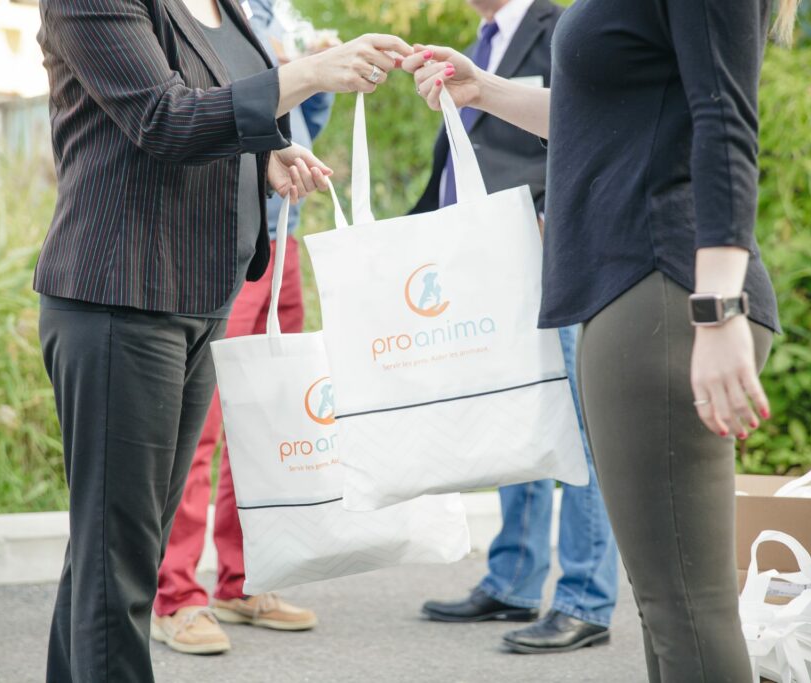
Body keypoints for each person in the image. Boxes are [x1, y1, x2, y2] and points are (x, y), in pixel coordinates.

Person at [403, 0, 793, 678]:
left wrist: (718, 309)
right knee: (667, 611)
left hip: (665, 291)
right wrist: (484, 90)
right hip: (632, 293)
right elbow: (600, 117)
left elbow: (726, 121)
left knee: (686, 613)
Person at [35, 0, 411, 678]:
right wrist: (312, 72)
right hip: (122, 295)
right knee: (116, 560)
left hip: (201, 295)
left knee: (121, 553)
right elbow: (164, 118)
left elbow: (216, 105)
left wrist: (266, 152)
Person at [411, 0, 618, 655]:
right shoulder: (484, 42)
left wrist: (555, 217)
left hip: (544, 252)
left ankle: (585, 598)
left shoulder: (561, 29)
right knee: (518, 416)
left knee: (576, 427)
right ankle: (514, 580)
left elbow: (586, 129)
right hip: (484, 264)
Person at [151, 0, 336, 655]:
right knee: (198, 426)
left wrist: (314, 79)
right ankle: (175, 594)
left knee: (265, 419)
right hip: (223, 235)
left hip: (281, 235)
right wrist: (296, 70)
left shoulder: (274, 13)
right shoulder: (199, 13)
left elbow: (301, 123)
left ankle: (244, 579)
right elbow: (191, 115)